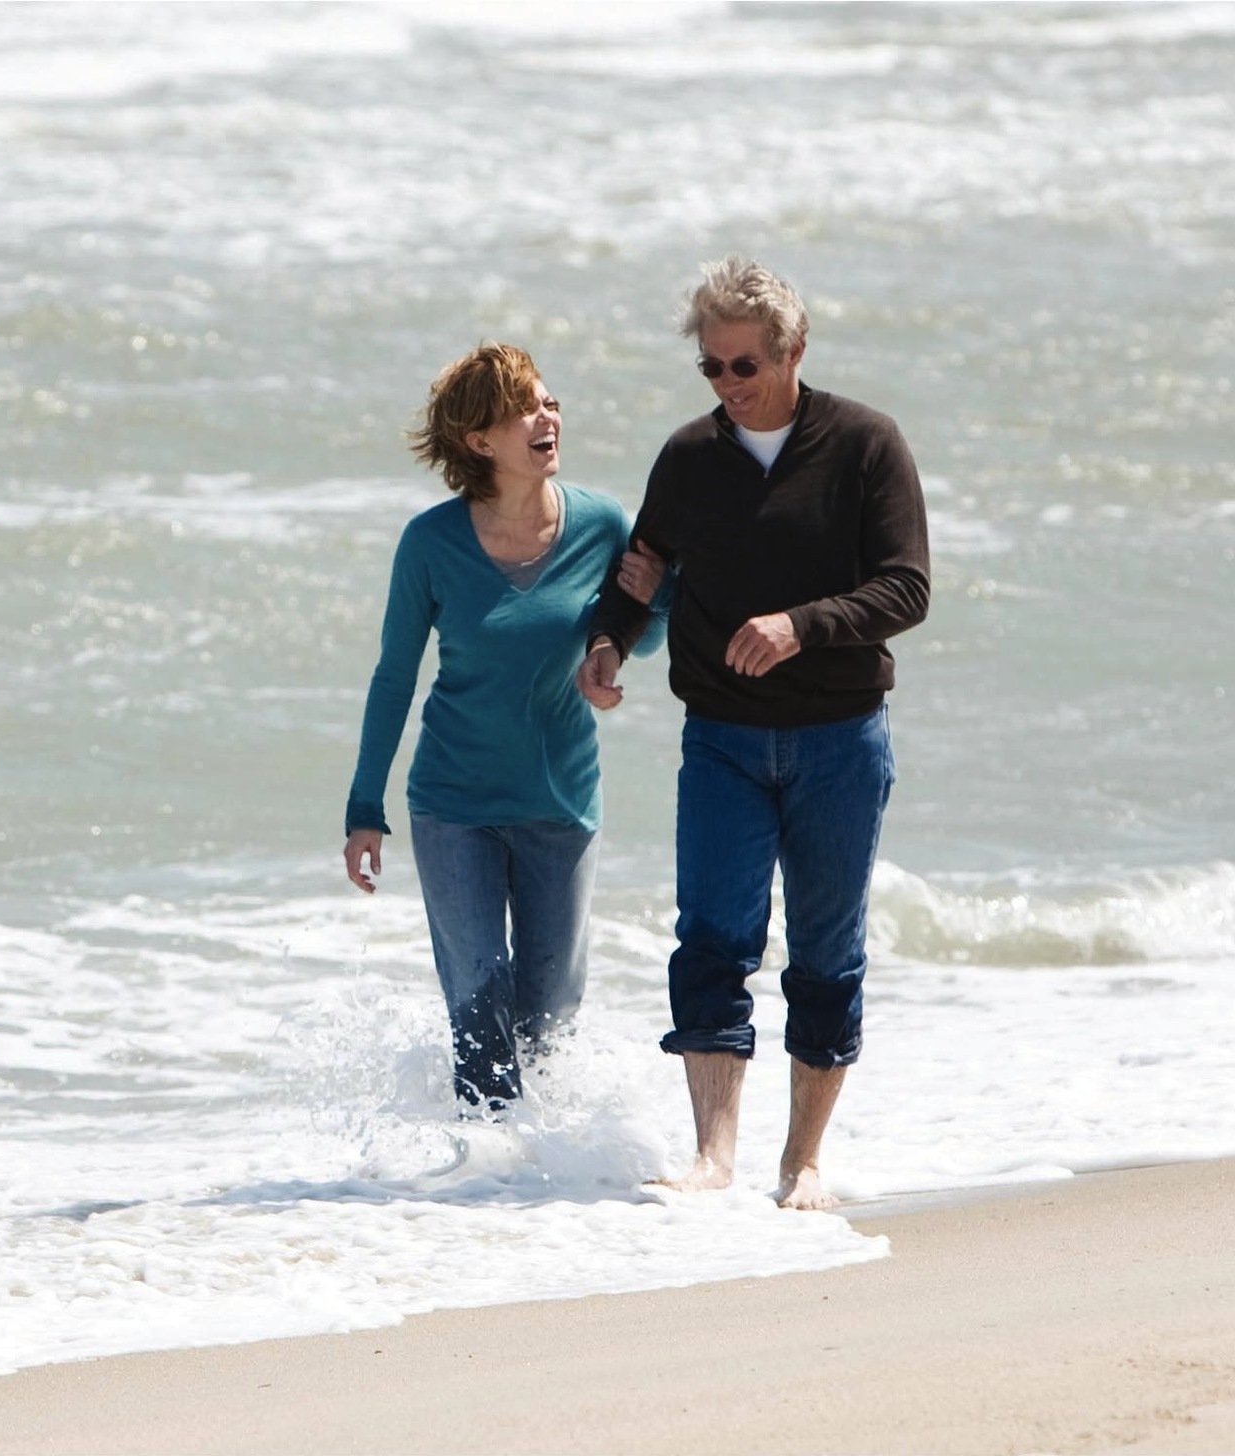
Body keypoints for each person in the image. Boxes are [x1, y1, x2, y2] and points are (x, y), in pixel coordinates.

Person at [580, 256, 929, 1209]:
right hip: (722, 739)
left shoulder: (866, 445)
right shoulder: (691, 456)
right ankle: (713, 1157)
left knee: (826, 952)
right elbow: (646, 559)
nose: (727, 387)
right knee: (711, 941)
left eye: (744, 367)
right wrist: (608, 640)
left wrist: (798, 626)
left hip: (839, 738)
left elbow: (907, 588)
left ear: (793, 351)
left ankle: (803, 1162)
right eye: (711, 369)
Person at [344, 343, 666, 1112]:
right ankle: (482, 1181)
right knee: (481, 1006)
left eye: (550, 401)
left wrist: (644, 605)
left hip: (561, 801)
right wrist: (365, 809)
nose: (547, 415)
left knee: (550, 1014)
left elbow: (642, 636)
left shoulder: (599, 524)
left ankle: (536, 1188)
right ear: (479, 441)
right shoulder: (431, 543)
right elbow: (394, 677)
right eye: (527, 408)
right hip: (455, 804)